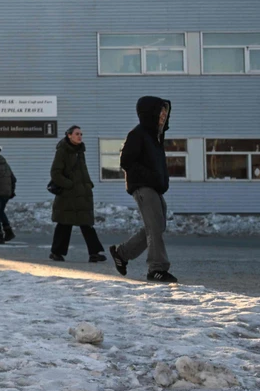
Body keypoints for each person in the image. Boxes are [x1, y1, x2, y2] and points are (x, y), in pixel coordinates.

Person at [109, 96, 176, 283]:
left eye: (165, 112)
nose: (163, 116)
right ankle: (156, 269)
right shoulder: (138, 134)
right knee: (154, 228)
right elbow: (126, 162)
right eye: (160, 112)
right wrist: (149, 177)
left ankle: (122, 254)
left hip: (155, 188)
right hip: (143, 188)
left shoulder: (155, 137)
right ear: (150, 113)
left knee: (156, 226)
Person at [48, 126, 106, 263]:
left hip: (81, 194)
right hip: (68, 195)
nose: (80, 136)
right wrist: (70, 185)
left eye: (81, 134)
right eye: (77, 134)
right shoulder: (63, 151)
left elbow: (82, 172)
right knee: (64, 224)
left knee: (86, 223)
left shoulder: (79, 151)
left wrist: (88, 184)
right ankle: (56, 252)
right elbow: (55, 173)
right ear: (69, 135)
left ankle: (94, 253)